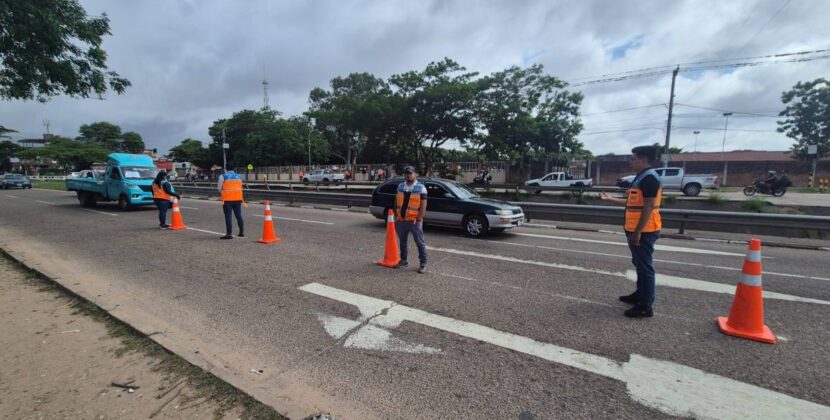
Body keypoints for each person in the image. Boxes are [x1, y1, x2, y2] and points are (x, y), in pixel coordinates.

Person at [600, 145, 662, 318]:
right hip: (636, 229)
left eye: (633, 158)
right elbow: (633, 203)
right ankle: (640, 295)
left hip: (645, 230)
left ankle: (645, 306)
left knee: (645, 267)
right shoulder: (641, 177)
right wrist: (610, 199)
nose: (630, 161)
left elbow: (648, 207)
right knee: (639, 264)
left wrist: (637, 232)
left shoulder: (649, 178)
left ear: (644, 159)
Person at [394, 166, 428, 273]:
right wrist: (397, 215)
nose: (408, 175)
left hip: (414, 221)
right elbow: (396, 201)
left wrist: (419, 219)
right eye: (406, 173)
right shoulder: (400, 186)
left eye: (410, 173)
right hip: (401, 220)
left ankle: (423, 264)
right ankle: (404, 260)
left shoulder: (421, 188)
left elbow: (423, 205)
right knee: (402, 242)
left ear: (416, 174)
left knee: (420, 243)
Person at [217, 170, 245, 239]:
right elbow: (240, 186)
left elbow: (219, 189)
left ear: (226, 169)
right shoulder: (239, 176)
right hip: (238, 199)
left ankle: (229, 234)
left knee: (228, 217)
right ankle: (241, 232)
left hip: (227, 200)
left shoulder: (223, 176)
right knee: (238, 215)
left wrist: (224, 191)